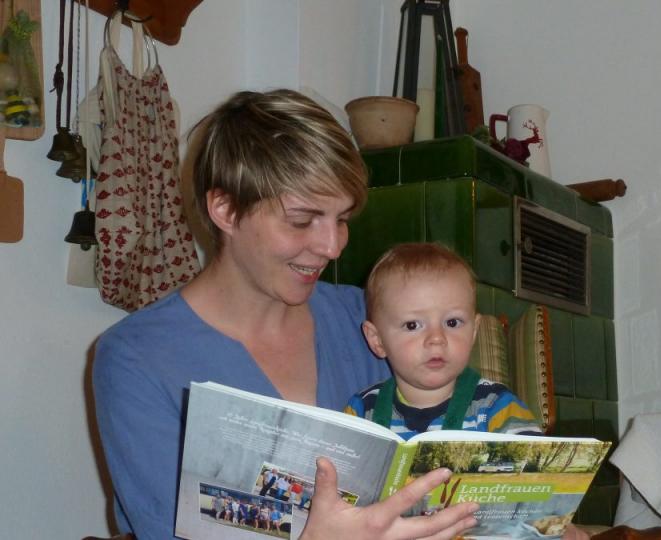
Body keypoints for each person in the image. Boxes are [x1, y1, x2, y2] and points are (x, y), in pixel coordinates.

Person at [92, 89, 482, 540]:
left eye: (342, 218)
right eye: (301, 220)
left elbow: (465, 436)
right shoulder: (137, 357)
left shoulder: (373, 319)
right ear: (225, 209)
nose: (332, 246)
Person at [344, 243, 542, 439]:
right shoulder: (360, 413)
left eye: (452, 322)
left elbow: (541, 468)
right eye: (412, 325)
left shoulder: (497, 408)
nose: (437, 339)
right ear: (377, 340)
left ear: (473, 331)